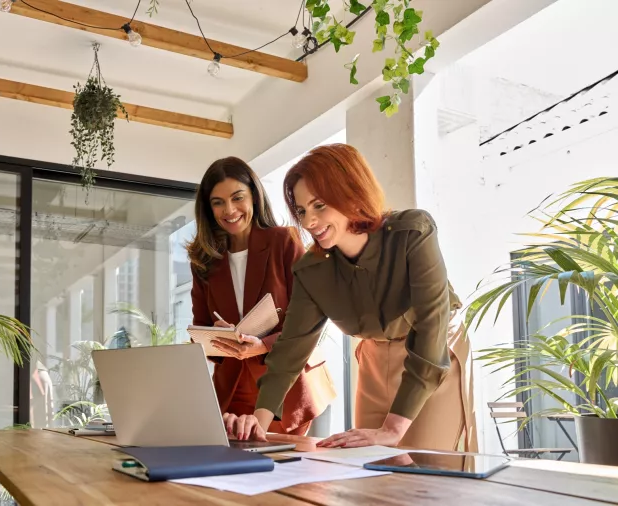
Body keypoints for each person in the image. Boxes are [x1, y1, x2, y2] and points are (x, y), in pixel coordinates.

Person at [222, 144, 477, 451]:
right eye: (302, 211)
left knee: (432, 473)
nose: (308, 222)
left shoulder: (412, 233)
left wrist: (392, 429)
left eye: (319, 206)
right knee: (370, 472)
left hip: (434, 355)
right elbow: (291, 351)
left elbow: (431, 328)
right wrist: (257, 424)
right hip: (373, 359)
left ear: (351, 192)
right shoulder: (312, 270)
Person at [187, 156, 336, 436]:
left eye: (237, 197)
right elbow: (200, 330)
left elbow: (309, 321)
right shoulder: (203, 260)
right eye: (217, 202)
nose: (229, 210)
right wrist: (215, 336)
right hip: (234, 390)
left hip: (290, 385)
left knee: (293, 476)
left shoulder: (284, 241)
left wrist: (263, 344)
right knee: (236, 475)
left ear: (254, 196)